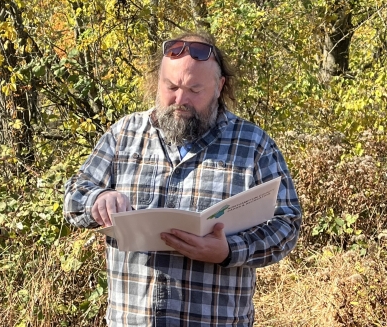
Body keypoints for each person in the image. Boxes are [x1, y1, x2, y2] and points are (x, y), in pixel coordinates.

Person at [64, 31, 302, 327]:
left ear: (219, 87)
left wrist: (229, 251)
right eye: (171, 86)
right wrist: (97, 200)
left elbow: (287, 223)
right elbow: (74, 195)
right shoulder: (125, 134)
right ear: (157, 83)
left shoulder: (253, 144)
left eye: (194, 89)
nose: (180, 100)